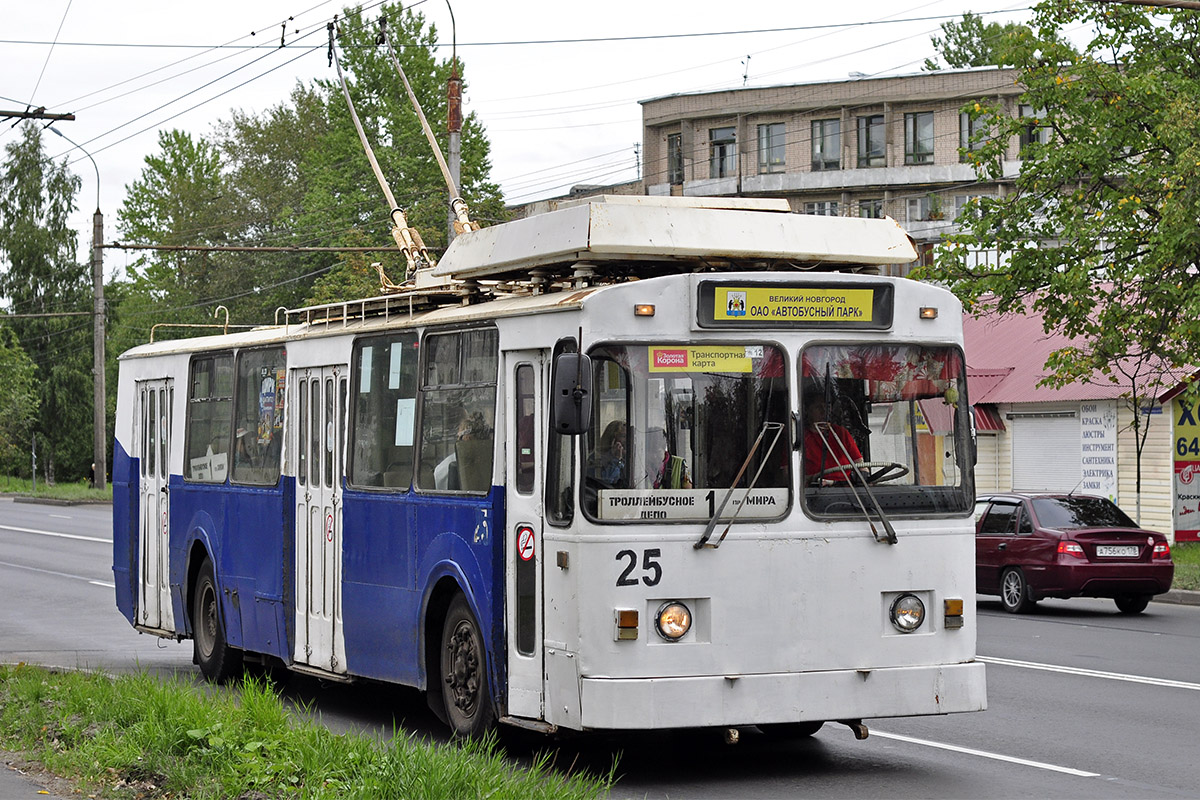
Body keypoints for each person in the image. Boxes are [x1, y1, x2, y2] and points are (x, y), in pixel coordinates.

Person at [802, 390, 862, 483]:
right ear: (807, 410)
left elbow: (861, 466)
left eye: (827, 407)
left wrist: (863, 477)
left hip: (848, 490)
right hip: (813, 492)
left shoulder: (841, 433)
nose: (824, 411)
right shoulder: (799, 437)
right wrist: (814, 479)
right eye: (818, 407)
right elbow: (788, 477)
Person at [591, 420, 628, 486]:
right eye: (623, 436)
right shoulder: (596, 458)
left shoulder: (627, 459)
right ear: (612, 439)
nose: (627, 441)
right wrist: (616, 459)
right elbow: (606, 483)